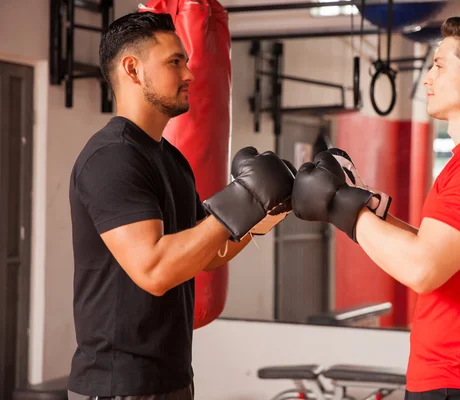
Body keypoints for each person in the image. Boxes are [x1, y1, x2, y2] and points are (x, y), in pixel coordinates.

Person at [292, 16, 460, 400]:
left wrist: (341, 205)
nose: (427, 79)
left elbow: (421, 269)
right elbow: (431, 246)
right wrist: (359, 202)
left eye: (439, 66)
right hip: (453, 381)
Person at [67, 12, 295, 400]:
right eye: (175, 62)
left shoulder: (170, 159)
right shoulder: (111, 158)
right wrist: (243, 197)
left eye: (186, 61)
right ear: (132, 69)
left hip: (170, 378)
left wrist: (267, 212)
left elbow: (207, 252)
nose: (189, 74)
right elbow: (154, 270)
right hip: (118, 386)